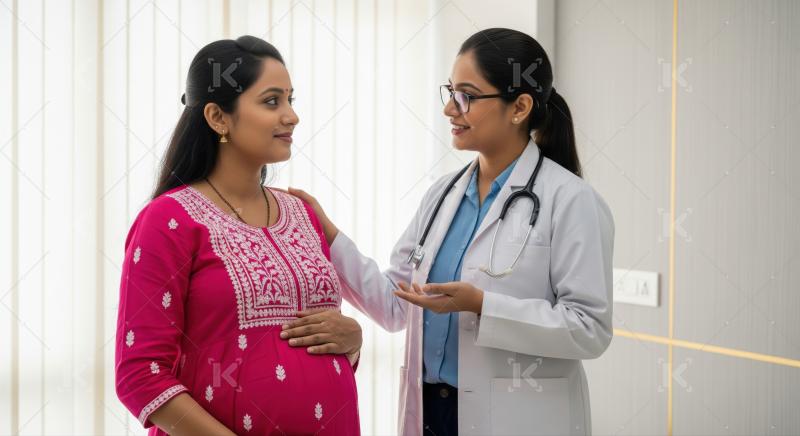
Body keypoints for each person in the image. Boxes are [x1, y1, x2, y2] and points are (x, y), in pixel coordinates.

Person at [286, 28, 615, 435]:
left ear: (519, 107)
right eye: (450, 92)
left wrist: (482, 305)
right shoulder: (443, 195)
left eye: (466, 96)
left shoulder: (571, 200)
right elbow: (396, 305)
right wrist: (328, 234)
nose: (448, 109)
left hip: (515, 417)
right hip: (431, 411)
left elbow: (589, 329)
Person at [114, 35, 362, 435]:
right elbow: (140, 374)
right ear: (218, 117)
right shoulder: (169, 220)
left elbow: (314, 346)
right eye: (272, 101)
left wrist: (353, 338)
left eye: (291, 100)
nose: (292, 116)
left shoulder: (302, 213)